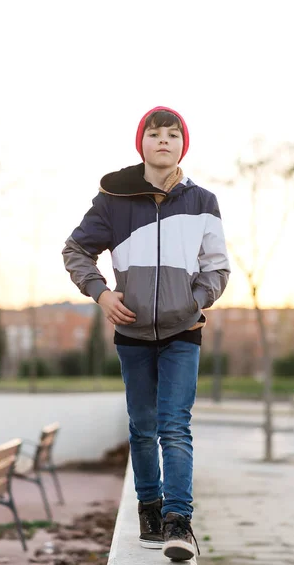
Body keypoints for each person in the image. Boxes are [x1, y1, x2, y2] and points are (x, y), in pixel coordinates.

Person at [62, 106, 230, 561]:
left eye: (172, 135)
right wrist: (100, 293)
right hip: (133, 333)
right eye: (154, 134)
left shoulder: (202, 202)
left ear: (182, 145)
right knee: (142, 428)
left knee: (175, 426)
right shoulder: (113, 201)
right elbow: (76, 249)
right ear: (141, 143)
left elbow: (217, 267)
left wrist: (193, 301)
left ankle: (179, 522)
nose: (163, 141)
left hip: (183, 331)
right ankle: (150, 511)